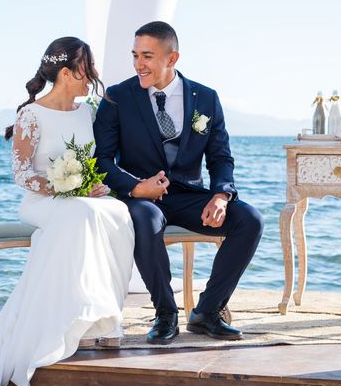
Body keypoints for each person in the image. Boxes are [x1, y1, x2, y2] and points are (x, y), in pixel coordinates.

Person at [0, 37, 134, 386]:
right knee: (85, 213)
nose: (92, 77)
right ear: (65, 72)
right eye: (86, 69)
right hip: (42, 200)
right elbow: (22, 174)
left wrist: (94, 186)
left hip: (82, 198)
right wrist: (67, 185)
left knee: (117, 212)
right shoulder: (31, 114)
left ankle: (103, 317)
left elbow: (98, 160)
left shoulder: (87, 112)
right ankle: (64, 318)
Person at [94, 21, 263, 344]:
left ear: (172, 59)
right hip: (140, 197)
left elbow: (220, 158)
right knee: (147, 217)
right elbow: (101, 160)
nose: (138, 65)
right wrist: (135, 186)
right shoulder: (118, 97)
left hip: (188, 195)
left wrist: (221, 196)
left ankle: (207, 313)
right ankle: (165, 313)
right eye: (135, 56)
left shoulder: (206, 99)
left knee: (250, 220)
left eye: (147, 56)